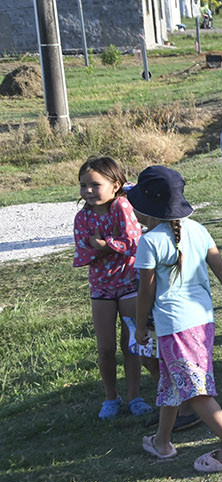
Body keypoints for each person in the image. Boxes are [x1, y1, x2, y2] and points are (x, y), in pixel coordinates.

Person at [127, 166, 222, 473]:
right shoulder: (197, 229)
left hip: (175, 326)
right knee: (173, 382)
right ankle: (162, 442)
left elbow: (146, 292)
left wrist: (141, 326)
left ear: (146, 206)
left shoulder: (149, 242)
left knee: (194, 389)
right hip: (203, 321)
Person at [74, 156, 155, 419]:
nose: (88, 191)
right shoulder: (82, 217)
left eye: (95, 185)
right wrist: (111, 245)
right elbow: (81, 254)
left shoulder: (122, 205)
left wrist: (101, 244)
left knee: (132, 344)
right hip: (101, 289)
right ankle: (111, 397)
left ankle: (135, 396)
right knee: (105, 348)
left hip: (129, 283)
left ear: (115, 185)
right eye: (83, 185)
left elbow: (134, 243)